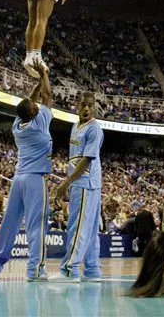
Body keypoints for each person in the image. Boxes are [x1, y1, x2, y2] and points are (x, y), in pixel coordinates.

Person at [0, 60, 53, 281]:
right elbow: (47, 97)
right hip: (35, 179)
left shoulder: (19, 126)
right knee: (36, 225)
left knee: (9, 223)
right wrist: (43, 74)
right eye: (35, 107)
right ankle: (35, 269)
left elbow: (32, 101)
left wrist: (37, 82)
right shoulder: (40, 123)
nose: (37, 106)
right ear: (34, 113)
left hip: (18, 179)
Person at [50, 92, 103, 283]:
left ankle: (69, 269)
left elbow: (87, 160)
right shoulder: (75, 126)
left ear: (95, 106)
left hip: (85, 183)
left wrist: (66, 182)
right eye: (83, 105)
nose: (86, 108)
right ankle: (92, 270)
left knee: (78, 227)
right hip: (86, 183)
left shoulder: (94, 129)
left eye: (90, 105)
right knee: (88, 229)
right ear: (76, 105)